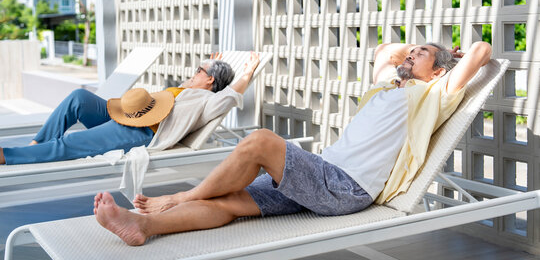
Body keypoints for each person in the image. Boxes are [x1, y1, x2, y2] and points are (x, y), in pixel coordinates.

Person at [93, 41, 492, 246]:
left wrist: (449, 64)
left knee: (262, 141)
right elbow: (385, 51)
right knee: (229, 203)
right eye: (414, 48)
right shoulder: (386, 88)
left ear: (438, 71)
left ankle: (180, 197)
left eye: (423, 53)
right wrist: (414, 56)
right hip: (321, 175)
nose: (412, 52)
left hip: (344, 187)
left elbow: (482, 51)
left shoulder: (432, 96)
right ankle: (144, 226)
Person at [0, 53, 261, 165]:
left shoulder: (207, 101)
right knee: (79, 97)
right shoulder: (188, 89)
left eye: (199, 70)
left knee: (73, 142)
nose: (194, 72)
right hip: (128, 114)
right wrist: (210, 64)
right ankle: (38, 143)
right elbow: (197, 81)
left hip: (141, 132)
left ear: (210, 81)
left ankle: (9, 156)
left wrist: (247, 71)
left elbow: (229, 96)